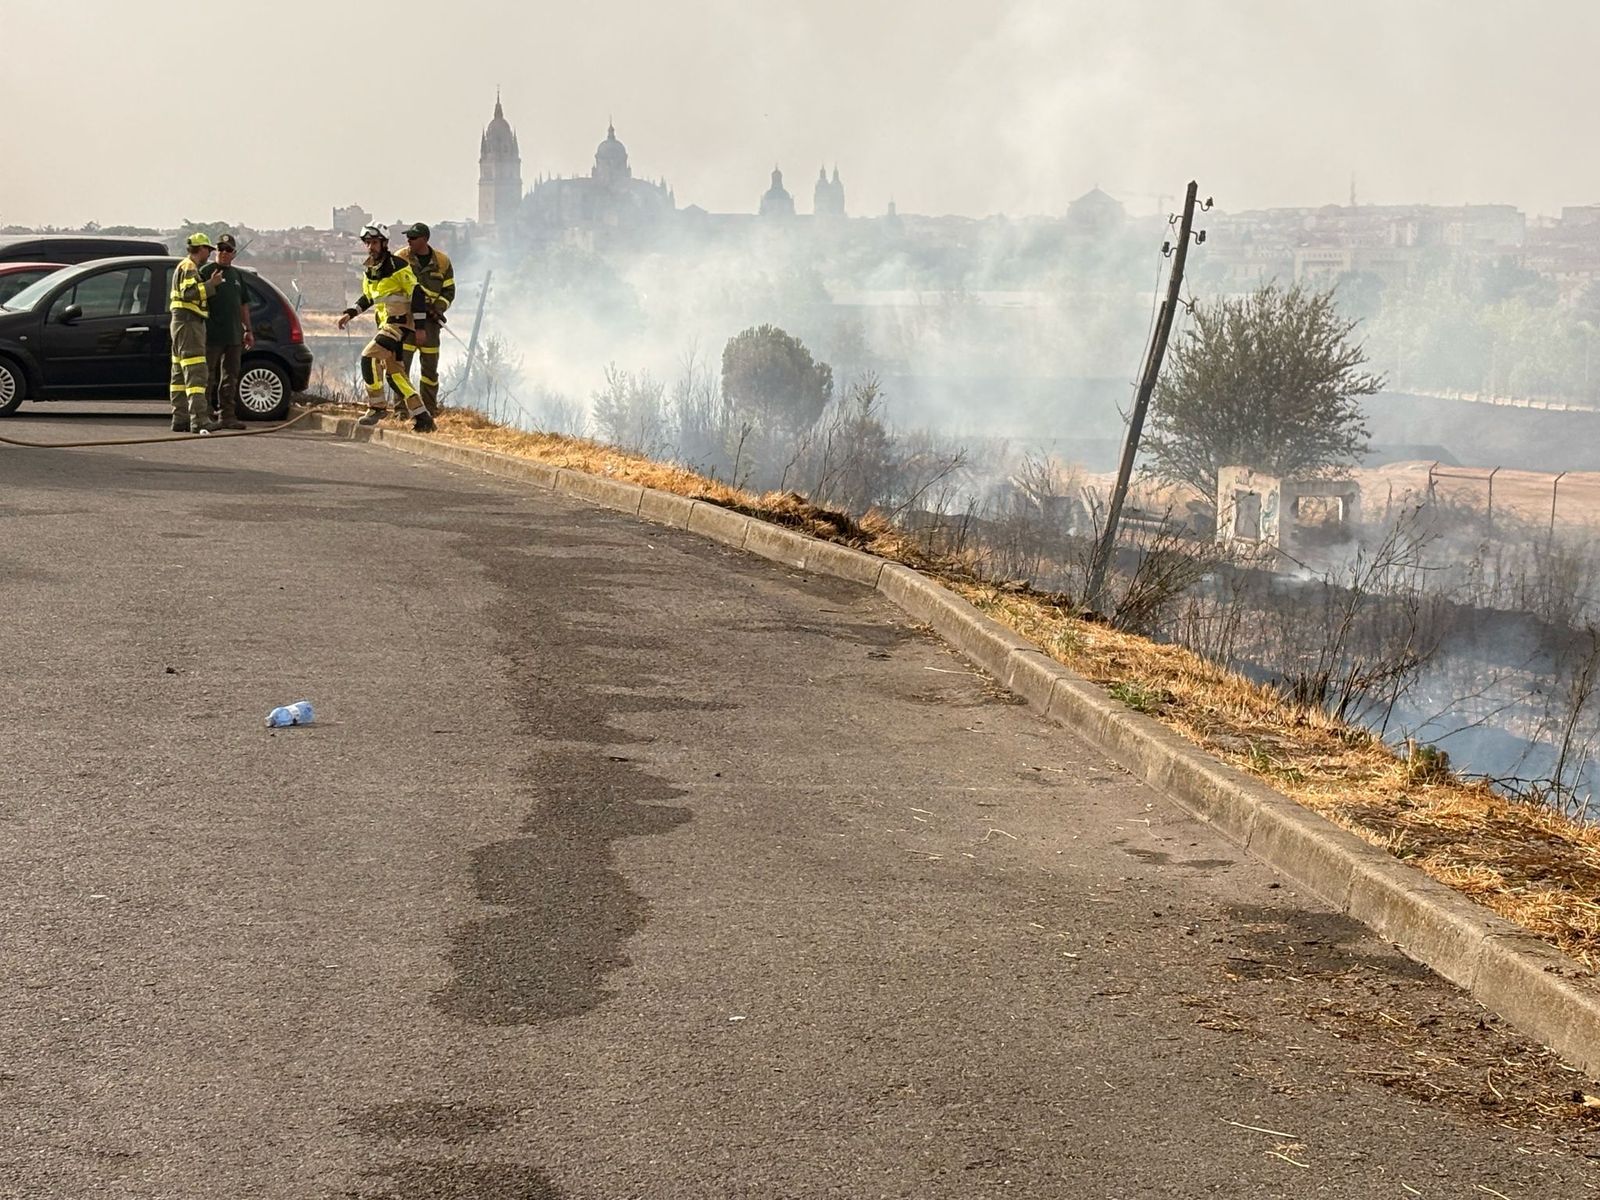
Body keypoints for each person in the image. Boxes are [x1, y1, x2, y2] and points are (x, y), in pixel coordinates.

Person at [335, 224, 436, 432]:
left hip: (399, 324)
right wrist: (350, 313)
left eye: (374, 242)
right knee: (395, 374)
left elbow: (416, 293)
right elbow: (369, 297)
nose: (370, 247)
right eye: (367, 243)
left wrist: (420, 328)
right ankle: (423, 417)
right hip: (385, 324)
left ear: (384, 243)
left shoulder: (398, 266)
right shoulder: (370, 270)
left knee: (368, 356)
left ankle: (377, 407)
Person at [395, 221, 455, 417]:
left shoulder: (442, 262)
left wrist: (438, 308)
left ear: (425, 239)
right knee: (401, 368)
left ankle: (429, 410)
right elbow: (392, 288)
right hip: (405, 322)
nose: (409, 240)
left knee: (429, 370)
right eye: (408, 237)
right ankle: (401, 411)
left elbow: (449, 291)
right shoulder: (400, 259)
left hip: (430, 325)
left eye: (413, 237)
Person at [169, 232, 225, 434]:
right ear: (200, 249)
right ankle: (200, 420)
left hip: (180, 324)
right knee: (196, 373)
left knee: (179, 374)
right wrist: (212, 284)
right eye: (208, 250)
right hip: (189, 324)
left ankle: (180, 418)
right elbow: (189, 293)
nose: (209, 254)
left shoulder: (183, 266)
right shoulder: (190, 267)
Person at [199, 233, 253, 430]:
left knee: (230, 377)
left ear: (234, 253)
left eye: (228, 250)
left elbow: (243, 304)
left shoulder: (236, 276)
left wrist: (248, 330)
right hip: (211, 334)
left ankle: (227, 415)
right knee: (207, 376)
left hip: (234, 335)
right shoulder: (206, 271)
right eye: (220, 249)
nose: (223, 253)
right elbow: (196, 296)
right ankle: (205, 415)